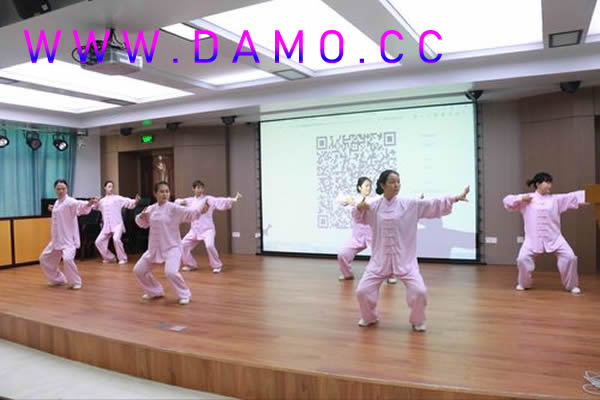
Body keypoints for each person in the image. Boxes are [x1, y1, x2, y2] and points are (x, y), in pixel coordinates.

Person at [355, 170, 469, 331]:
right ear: (382, 185)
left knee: (420, 291)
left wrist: (455, 198)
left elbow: (431, 204)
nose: (396, 185)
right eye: (392, 182)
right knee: (362, 291)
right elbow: (358, 218)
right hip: (379, 261)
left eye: (398, 181)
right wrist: (358, 208)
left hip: (404, 260)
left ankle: (417, 320)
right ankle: (369, 317)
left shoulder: (408, 204)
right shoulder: (373, 206)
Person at [503, 172, 588, 294]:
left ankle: (571, 285)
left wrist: (594, 194)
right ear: (538, 184)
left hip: (555, 238)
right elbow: (507, 201)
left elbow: (574, 196)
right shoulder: (527, 199)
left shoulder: (555, 199)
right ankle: (524, 283)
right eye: (547, 182)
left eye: (550, 182)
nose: (550, 185)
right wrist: (520, 198)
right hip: (532, 239)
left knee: (570, 257)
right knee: (522, 259)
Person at [133, 181, 207, 305]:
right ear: (155, 193)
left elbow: (189, 212)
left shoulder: (173, 208)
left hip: (172, 247)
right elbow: (142, 224)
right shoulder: (151, 209)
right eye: (161, 191)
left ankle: (185, 294)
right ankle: (155, 291)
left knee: (171, 272)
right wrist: (141, 216)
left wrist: (200, 210)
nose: (165, 194)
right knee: (138, 270)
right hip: (154, 248)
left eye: (167, 191)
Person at [336, 177, 397, 284]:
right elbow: (340, 200)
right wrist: (348, 200)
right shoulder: (354, 199)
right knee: (342, 254)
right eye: (366, 186)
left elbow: (388, 200)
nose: (369, 188)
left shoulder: (374, 199)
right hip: (357, 237)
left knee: (384, 253)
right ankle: (347, 274)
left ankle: (390, 275)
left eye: (370, 186)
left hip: (372, 235)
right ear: (359, 187)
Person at [39, 179, 98, 290]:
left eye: (63, 189)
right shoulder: (57, 203)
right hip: (56, 239)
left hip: (68, 239)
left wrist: (89, 203)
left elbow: (80, 205)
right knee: (44, 259)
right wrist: (52, 208)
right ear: (55, 190)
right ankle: (58, 279)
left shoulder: (70, 201)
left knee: (67, 259)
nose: (61, 191)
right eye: (58, 189)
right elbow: (60, 211)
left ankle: (76, 282)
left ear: (67, 189)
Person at [175, 180, 241, 273]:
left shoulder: (208, 199)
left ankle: (217, 265)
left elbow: (219, 201)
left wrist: (232, 199)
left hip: (207, 229)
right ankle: (191, 264)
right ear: (193, 189)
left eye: (202, 188)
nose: (200, 190)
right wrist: (180, 201)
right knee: (182, 246)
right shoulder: (191, 200)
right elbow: (178, 202)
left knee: (209, 246)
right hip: (195, 230)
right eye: (198, 188)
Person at [94, 180, 139, 265]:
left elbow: (127, 201)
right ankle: (110, 258)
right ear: (105, 188)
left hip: (117, 224)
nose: (111, 188)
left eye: (112, 186)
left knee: (116, 239)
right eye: (109, 186)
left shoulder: (117, 198)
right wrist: (96, 201)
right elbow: (94, 207)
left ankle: (123, 258)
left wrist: (135, 201)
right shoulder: (102, 201)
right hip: (107, 226)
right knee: (98, 242)